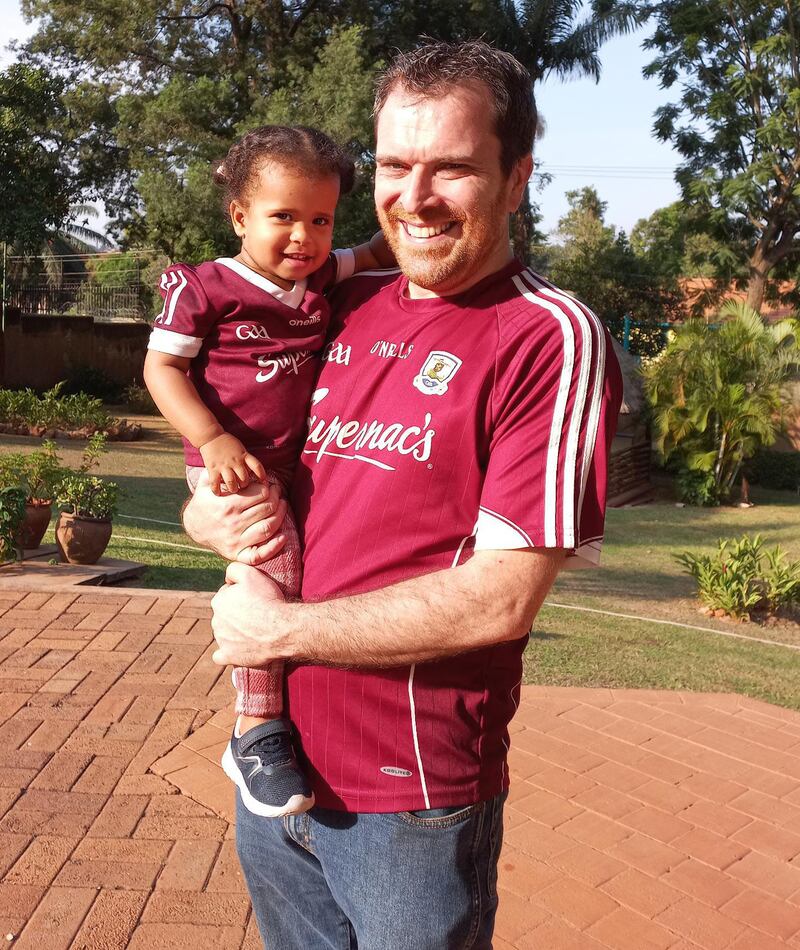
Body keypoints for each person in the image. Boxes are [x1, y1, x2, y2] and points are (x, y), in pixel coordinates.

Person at [184, 40, 623, 950]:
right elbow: (248, 453)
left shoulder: (547, 336)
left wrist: (278, 631)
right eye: (393, 164)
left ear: (516, 179)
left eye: (453, 168)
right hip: (274, 761)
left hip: (409, 797)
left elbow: (503, 597)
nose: (413, 197)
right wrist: (207, 512)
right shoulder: (336, 296)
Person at [143, 125, 393, 819]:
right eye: (283, 216)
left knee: (298, 570)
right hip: (228, 466)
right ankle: (255, 730)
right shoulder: (204, 287)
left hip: (291, 466)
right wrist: (211, 437)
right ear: (240, 217)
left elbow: (374, 250)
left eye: (320, 219)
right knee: (265, 570)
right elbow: (160, 369)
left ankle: (277, 715)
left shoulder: (317, 279)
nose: (302, 237)